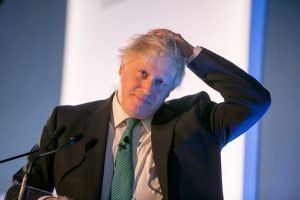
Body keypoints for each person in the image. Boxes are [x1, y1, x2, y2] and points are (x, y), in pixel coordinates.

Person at [5, 28, 271, 200]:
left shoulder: (196, 120)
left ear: (170, 91)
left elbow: (254, 101)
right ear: (122, 68)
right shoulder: (67, 122)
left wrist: (191, 54)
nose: (147, 89)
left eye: (160, 82)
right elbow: (20, 189)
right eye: (142, 73)